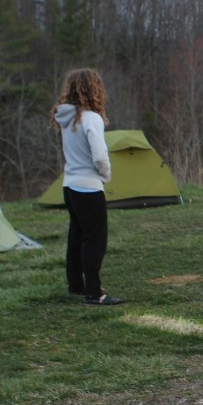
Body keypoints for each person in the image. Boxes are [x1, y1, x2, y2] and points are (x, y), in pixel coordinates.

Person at [50, 68, 123, 305]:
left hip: (69, 185)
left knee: (77, 236)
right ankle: (94, 293)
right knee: (95, 240)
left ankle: (75, 284)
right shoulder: (91, 118)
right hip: (88, 187)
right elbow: (99, 155)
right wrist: (106, 175)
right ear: (95, 89)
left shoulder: (67, 117)